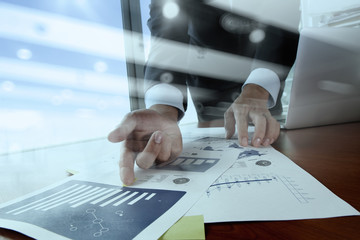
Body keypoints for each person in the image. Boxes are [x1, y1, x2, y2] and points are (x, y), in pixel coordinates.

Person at [108, 0, 299, 185]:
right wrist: (163, 110)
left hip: (265, 83)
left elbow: (282, 18)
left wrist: (258, 89)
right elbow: (167, 32)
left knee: (269, 149)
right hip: (210, 89)